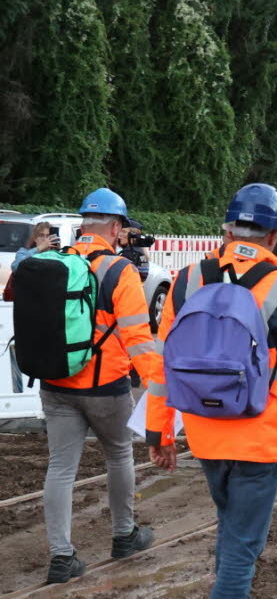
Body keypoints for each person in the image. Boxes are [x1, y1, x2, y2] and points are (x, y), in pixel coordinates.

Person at [146, 183, 277, 598]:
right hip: (259, 435)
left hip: (204, 431)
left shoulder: (185, 281)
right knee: (243, 546)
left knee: (232, 529)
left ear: (226, 232)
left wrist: (158, 432)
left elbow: (163, 364)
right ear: (275, 236)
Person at [38, 188, 162, 583]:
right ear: (114, 226)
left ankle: (62, 558)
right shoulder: (120, 271)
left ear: (82, 225)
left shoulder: (54, 260)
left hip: (56, 383)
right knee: (119, 455)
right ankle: (124, 535)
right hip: (105, 386)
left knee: (60, 469)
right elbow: (137, 338)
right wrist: (160, 387)